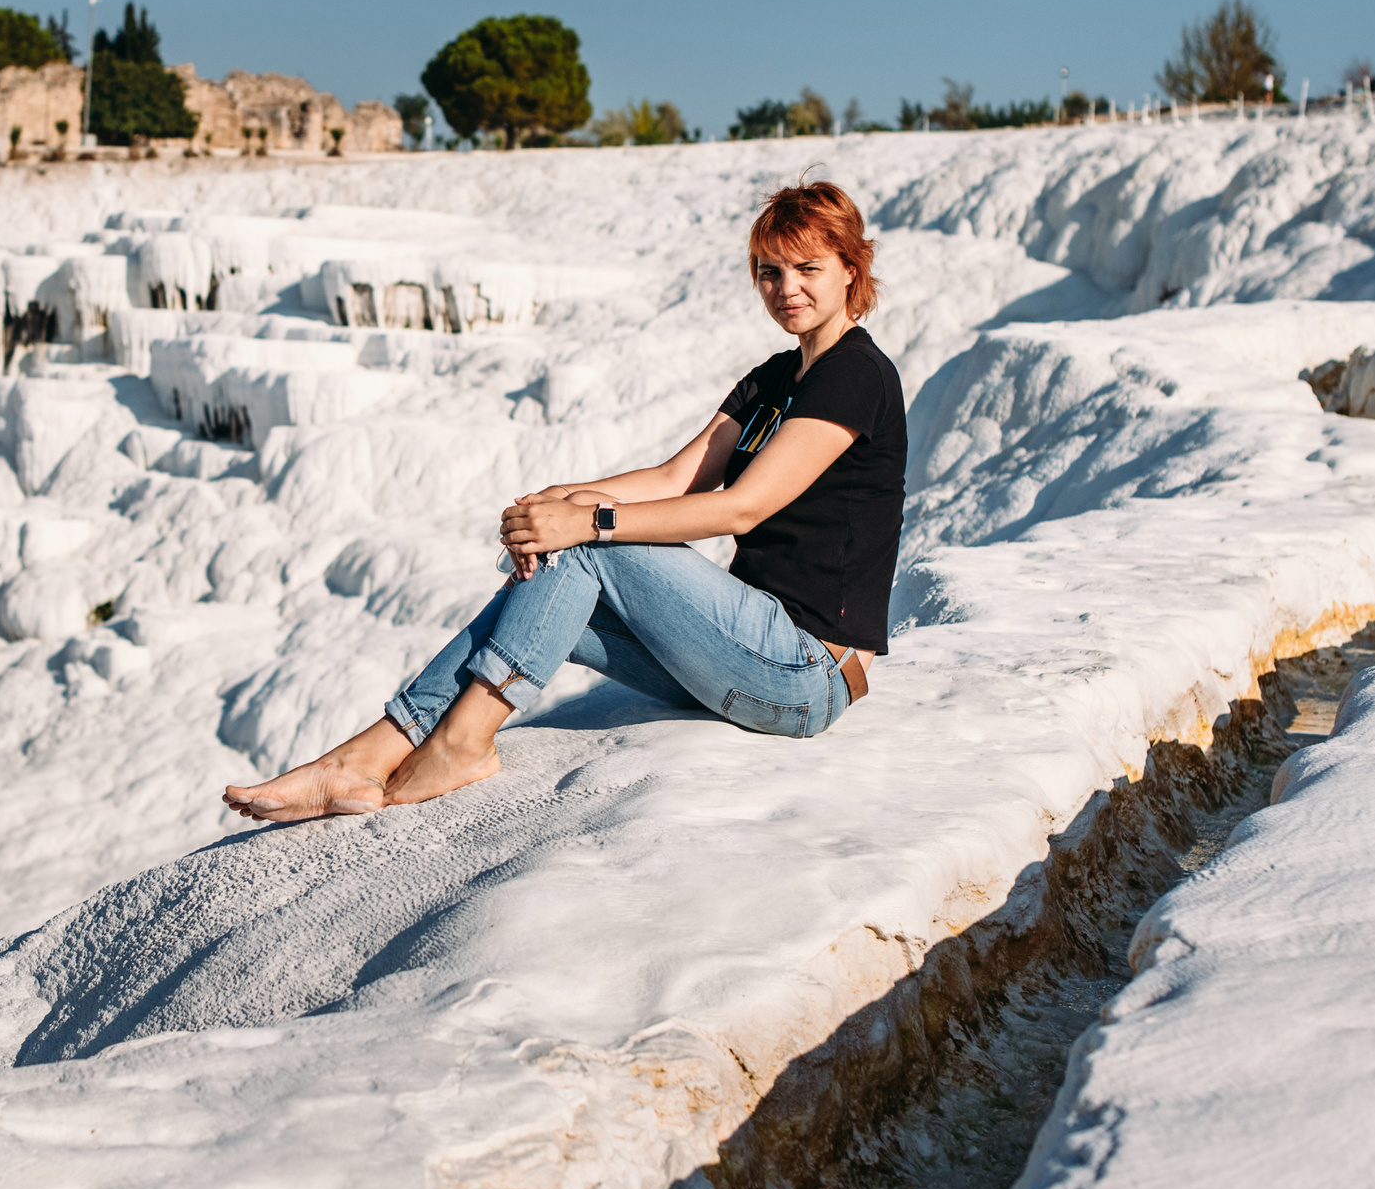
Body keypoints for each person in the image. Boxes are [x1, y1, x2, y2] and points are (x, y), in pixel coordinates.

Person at [225, 180, 907, 822]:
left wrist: (588, 520)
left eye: (807, 268)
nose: (785, 288)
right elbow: (678, 477)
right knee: (547, 587)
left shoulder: (855, 375)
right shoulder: (776, 377)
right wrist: (561, 497)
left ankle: (462, 746)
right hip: (743, 657)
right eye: (768, 271)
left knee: (583, 549)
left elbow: (740, 508)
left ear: (851, 267)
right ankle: (363, 755)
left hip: (805, 670)